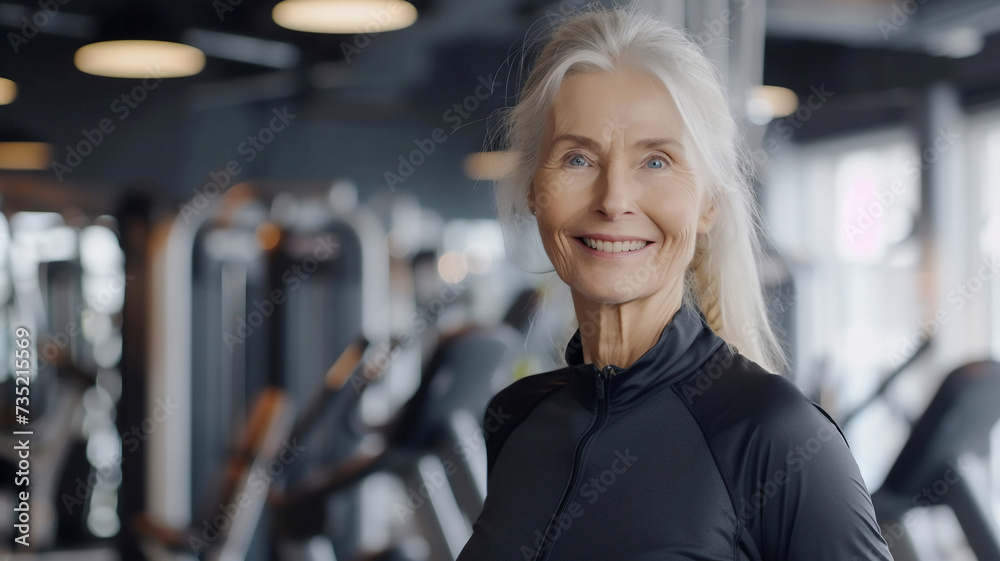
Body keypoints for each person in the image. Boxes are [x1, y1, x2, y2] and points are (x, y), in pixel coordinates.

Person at [456, 6, 893, 561]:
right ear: (532, 190)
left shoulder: (776, 439)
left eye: (656, 162)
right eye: (577, 158)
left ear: (708, 202)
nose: (613, 199)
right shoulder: (517, 418)